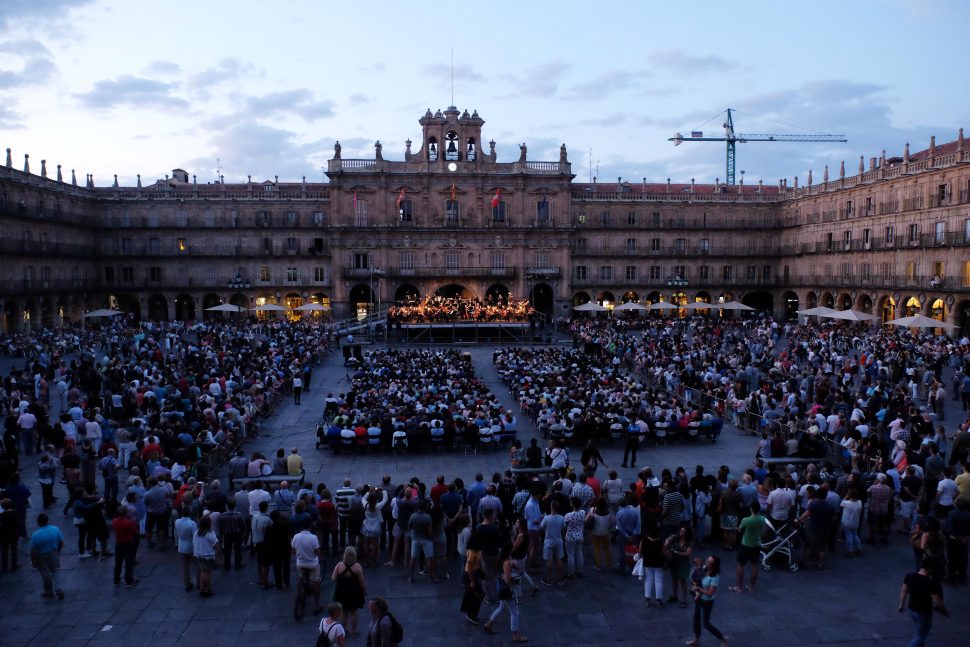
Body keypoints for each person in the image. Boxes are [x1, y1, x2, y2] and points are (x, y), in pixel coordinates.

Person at [899, 556, 949, 647]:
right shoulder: (931, 582)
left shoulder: (910, 576)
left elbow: (904, 591)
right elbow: (937, 602)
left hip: (911, 610)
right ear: (931, 568)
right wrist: (945, 611)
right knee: (920, 636)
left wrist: (901, 604)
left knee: (920, 633)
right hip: (924, 613)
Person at [483, 543, 529, 643]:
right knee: (514, 611)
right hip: (507, 589)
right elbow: (508, 580)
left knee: (501, 607)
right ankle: (515, 635)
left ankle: (488, 624)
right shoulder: (506, 562)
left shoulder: (503, 560)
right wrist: (515, 580)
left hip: (501, 588)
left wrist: (514, 565)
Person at [686, 555, 728, 647]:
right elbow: (695, 576)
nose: (707, 562)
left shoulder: (715, 576)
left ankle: (723, 639)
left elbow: (710, 593)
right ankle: (696, 640)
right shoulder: (704, 568)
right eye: (707, 560)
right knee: (696, 619)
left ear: (714, 565)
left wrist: (698, 589)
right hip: (699, 598)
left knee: (706, 624)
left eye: (709, 561)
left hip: (707, 602)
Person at [332, 546, 367, 638]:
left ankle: (343, 631)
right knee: (353, 612)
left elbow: (333, 578)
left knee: (344, 613)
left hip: (342, 593)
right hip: (354, 593)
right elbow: (362, 583)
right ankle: (354, 631)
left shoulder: (339, 565)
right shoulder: (357, 567)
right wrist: (364, 590)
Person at [731, 500, 765, 593]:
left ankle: (739, 587)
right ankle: (750, 586)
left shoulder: (746, 520)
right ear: (759, 509)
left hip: (746, 544)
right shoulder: (762, 519)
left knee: (740, 564)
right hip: (757, 545)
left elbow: (739, 530)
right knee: (754, 565)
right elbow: (764, 531)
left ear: (751, 509)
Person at [292, 516, 323, 614]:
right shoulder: (313, 538)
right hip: (312, 564)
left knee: (301, 577)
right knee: (315, 582)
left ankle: (299, 593)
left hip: (300, 563)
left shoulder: (296, 536)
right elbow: (317, 552)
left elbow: (293, 551)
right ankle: (317, 604)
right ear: (311, 526)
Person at [29, 513, 64, 599]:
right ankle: (59, 589)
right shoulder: (55, 529)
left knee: (45, 574)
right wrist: (58, 551)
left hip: (42, 556)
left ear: (38, 522)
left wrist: (33, 560)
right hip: (53, 553)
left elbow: (33, 550)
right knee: (56, 571)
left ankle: (48, 591)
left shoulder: (35, 535)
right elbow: (61, 542)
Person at [640, 519, 665, 607]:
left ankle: (647, 600)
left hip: (647, 562)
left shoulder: (644, 540)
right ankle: (658, 600)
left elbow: (640, 551)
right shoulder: (660, 541)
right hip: (658, 562)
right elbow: (663, 552)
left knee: (648, 580)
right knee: (658, 580)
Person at [192, 514, 219, 597]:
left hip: (199, 555)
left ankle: (202, 588)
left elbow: (194, 543)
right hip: (208, 556)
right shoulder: (210, 534)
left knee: (202, 572)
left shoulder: (196, 533)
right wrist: (219, 554)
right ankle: (208, 589)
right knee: (207, 572)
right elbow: (215, 545)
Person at [111, 505, 138, 587]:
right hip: (128, 543)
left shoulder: (114, 521)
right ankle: (128, 580)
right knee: (128, 562)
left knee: (118, 562)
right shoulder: (129, 523)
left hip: (118, 543)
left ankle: (116, 579)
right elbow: (135, 531)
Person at [540, 500, 565, 586]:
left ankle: (548, 579)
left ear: (551, 507)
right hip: (558, 541)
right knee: (559, 560)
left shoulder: (546, 518)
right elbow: (563, 529)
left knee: (549, 561)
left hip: (548, 541)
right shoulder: (561, 517)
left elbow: (541, 527)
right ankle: (560, 578)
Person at [174, 506, 197, 591]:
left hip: (181, 546)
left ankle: (187, 584)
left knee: (185, 566)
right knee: (197, 564)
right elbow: (195, 536)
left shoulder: (177, 521)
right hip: (190, 546)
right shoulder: (192, 523)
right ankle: (199, 582)